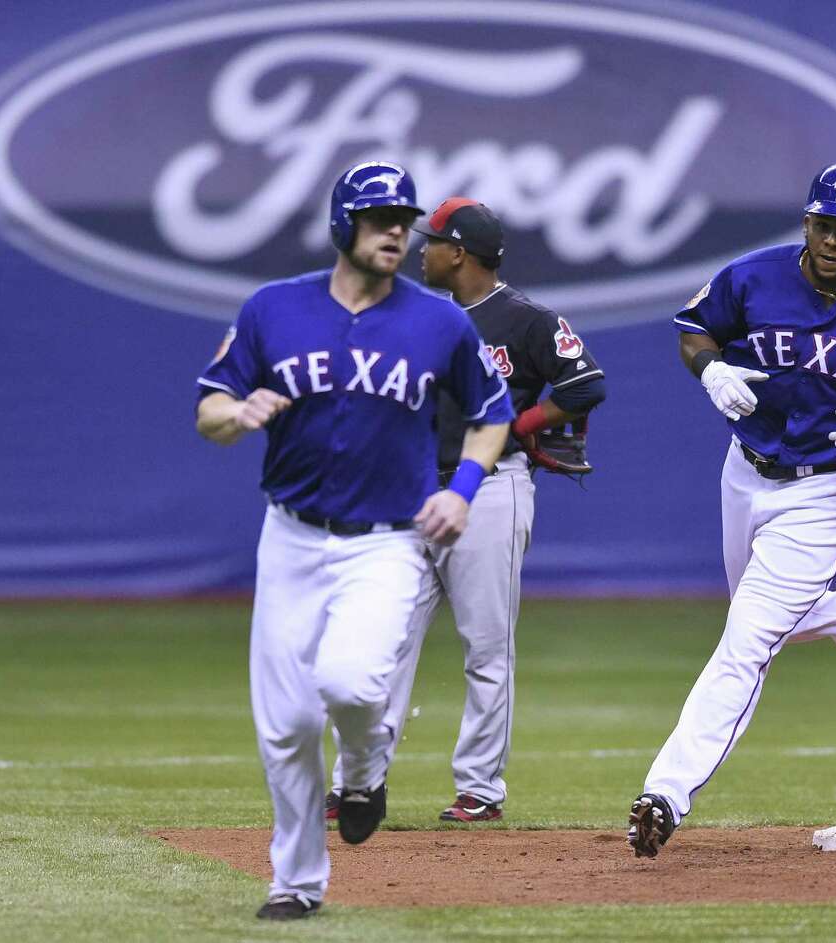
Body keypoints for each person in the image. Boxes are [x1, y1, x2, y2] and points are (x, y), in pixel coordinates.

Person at [195, 162, 514, 920]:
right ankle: (298, 882)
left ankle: (365, 769)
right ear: (344, 224)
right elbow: (209, 404)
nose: (397, 232)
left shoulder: (438, 320)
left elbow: (492, 411)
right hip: (293, 537)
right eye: (380, 219)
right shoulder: (275, 309)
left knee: (349, 682)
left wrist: (462, 488)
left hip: (387, 541)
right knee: (287, 724)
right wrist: (236, 416)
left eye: (405, 220)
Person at [626, 163, 836, 858]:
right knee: (761, 617)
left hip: (826, 486)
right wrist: (709, 368)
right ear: (806, 222)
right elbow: (695, 327)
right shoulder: (752, 276)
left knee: (747, 641)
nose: (833, 239)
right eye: (823, 224)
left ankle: (666, 792)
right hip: (744, 471)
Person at [326, 198, 606, 823]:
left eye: (432, 242)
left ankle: (479, 788)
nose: (420, 251)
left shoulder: (526, 320)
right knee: (381, 645)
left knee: (486, 647)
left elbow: (585, 385)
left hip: (492, 493)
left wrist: (517, 425)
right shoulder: (411, 317)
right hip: (412, 495)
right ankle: (358, 783)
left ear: (459, 253)